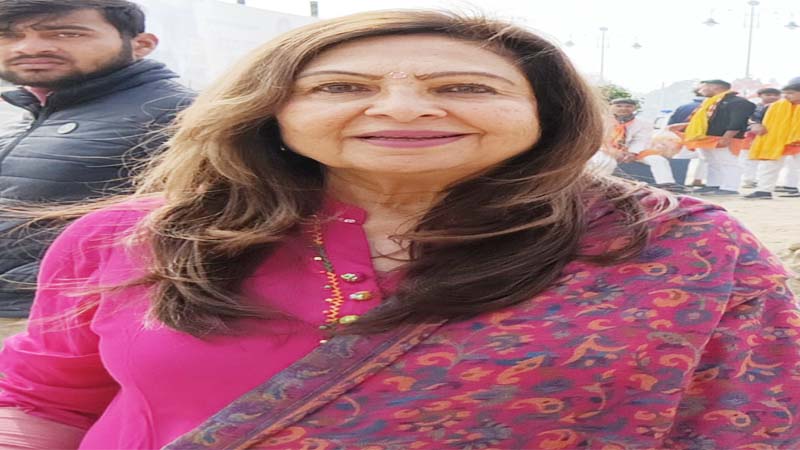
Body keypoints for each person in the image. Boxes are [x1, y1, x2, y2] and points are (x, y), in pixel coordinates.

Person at [0, 10, 798, 450]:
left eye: (465, 87)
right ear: (271, 110)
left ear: (544, 114)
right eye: (341, 87)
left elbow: (752, 418)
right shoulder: (130, 237)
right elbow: (42, 401)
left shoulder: (670, 250)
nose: (405, 108)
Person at [0, 0, 194, 336]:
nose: (29, 48)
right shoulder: (34, 114)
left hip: (62, 322)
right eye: (7, 35)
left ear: (141, 44)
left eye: (66, 33)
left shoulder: (180, 115)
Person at [677, 79, 756, 196]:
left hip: (725, 137)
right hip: (706, 138)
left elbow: (738, 121)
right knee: (711, 162)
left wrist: (727, 137)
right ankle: (713, 185)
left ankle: (730, 188)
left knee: (728, 162)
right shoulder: (709, 102)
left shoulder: (738, 102)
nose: (700, 90)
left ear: (715, 88)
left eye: (703, 87)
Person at [605, 98, 686, 192]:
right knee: (604, 160)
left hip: (634, 151)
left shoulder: (644, 123)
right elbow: (599, 140)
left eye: (628, 106)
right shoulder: (601, 121)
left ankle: (667, 185)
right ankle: (602, 185)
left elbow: (641, 140)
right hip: (607, 150)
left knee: (658, 160)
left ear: (634, 108)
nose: (623, 108)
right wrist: (612, 152)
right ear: (611, 107)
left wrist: (632, 153)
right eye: (619, 106)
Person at [743, 80, 800, 199]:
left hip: (797, 141)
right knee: (768, 166)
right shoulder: (773, 106)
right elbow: (754, 119)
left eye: (791, 93)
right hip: (776, 140)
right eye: (785, 93)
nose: (786, 96)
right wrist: (755, 125)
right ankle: (764, 191)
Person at [740, 87, 783, 189]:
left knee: (768, 161)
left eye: (776, 95)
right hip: (752, 136)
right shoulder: (754, 108)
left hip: (773, 137)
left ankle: (762, 181)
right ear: (760, 96)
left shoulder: (782, 107)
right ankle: (749, 180)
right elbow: (749, 120)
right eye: (768, 95)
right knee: (748, 159)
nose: (772, 97)